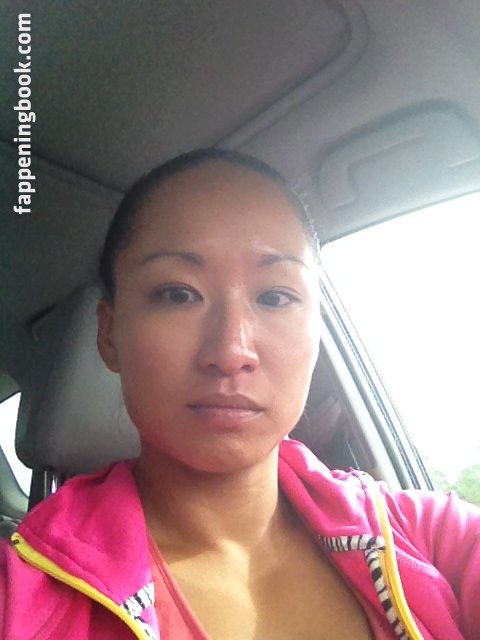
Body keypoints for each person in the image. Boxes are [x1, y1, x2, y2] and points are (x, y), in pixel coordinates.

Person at [1, 149, 479, 640]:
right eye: (178, 293)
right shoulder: (20, 598)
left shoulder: (432, 538)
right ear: (109, 335)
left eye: (275, 296)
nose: (231, 352)